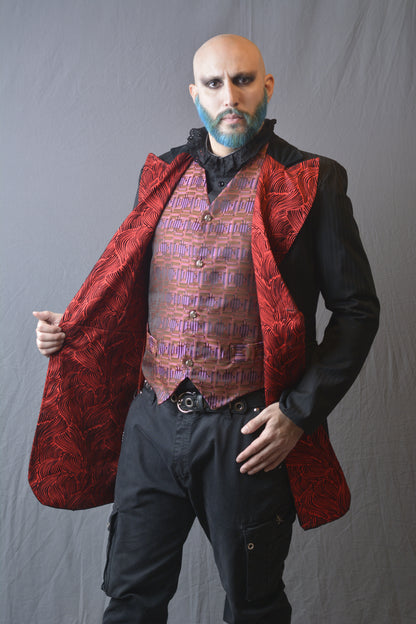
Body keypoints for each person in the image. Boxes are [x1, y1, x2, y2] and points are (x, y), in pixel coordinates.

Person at [30, 34, 379, 624]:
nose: (230, 97)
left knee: (253, 606)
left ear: (267, 87)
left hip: (247, 432)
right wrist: (76, 328)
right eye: (215, 84)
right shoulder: (161, 175)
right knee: (130, 601)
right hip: (152, 422)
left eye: (243, 81)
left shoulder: (312, 180)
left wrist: (299, 412)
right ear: (195, 94)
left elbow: (357, 310)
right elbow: (132, 285)